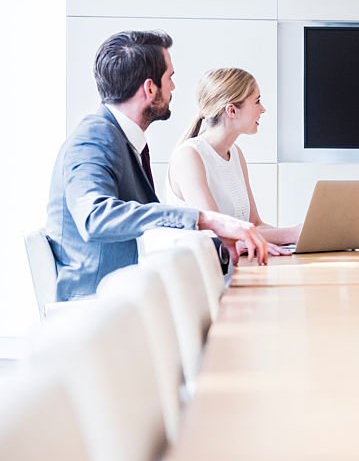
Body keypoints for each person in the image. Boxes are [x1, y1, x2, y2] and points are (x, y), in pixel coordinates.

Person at [46, 31, 268, 302]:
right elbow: (95, 217)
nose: (174, 88)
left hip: (132, 299)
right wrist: (203, 219)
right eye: (170, 78)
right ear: (150, 88)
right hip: (99, 310)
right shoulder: (93, 138)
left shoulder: (126, 139)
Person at [167, 68, 300, 253]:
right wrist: (291, 234)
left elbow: (254, 224)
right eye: (257, 101)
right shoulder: (189, 156)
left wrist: (301, 237)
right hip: (201, 272)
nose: (263, 109)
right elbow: (217, 234)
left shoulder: (236, 154)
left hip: (232, 267)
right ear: (231, 110)